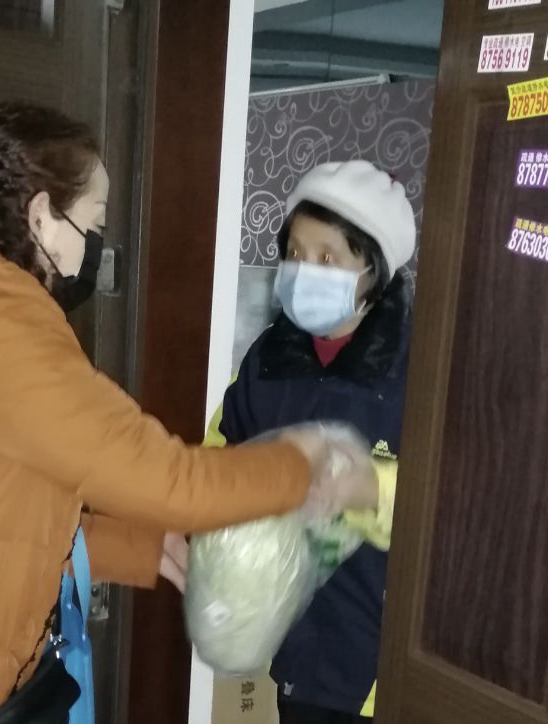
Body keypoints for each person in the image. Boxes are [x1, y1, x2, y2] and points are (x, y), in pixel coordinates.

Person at [0, 103, 374, 724]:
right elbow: (172, 482)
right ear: (41, 216)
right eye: (95, 220)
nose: (97, 244)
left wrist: (144, 549)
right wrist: (306, 464)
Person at [207, 160, 416, 724]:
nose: (304, 271)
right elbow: (218, 454)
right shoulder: (270, 357)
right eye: (295, 253)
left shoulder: (418, 371)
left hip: (380, 665)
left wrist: (369, 487)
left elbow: (453, 511)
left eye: (327, 258)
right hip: (295, 647)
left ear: (373, 271)